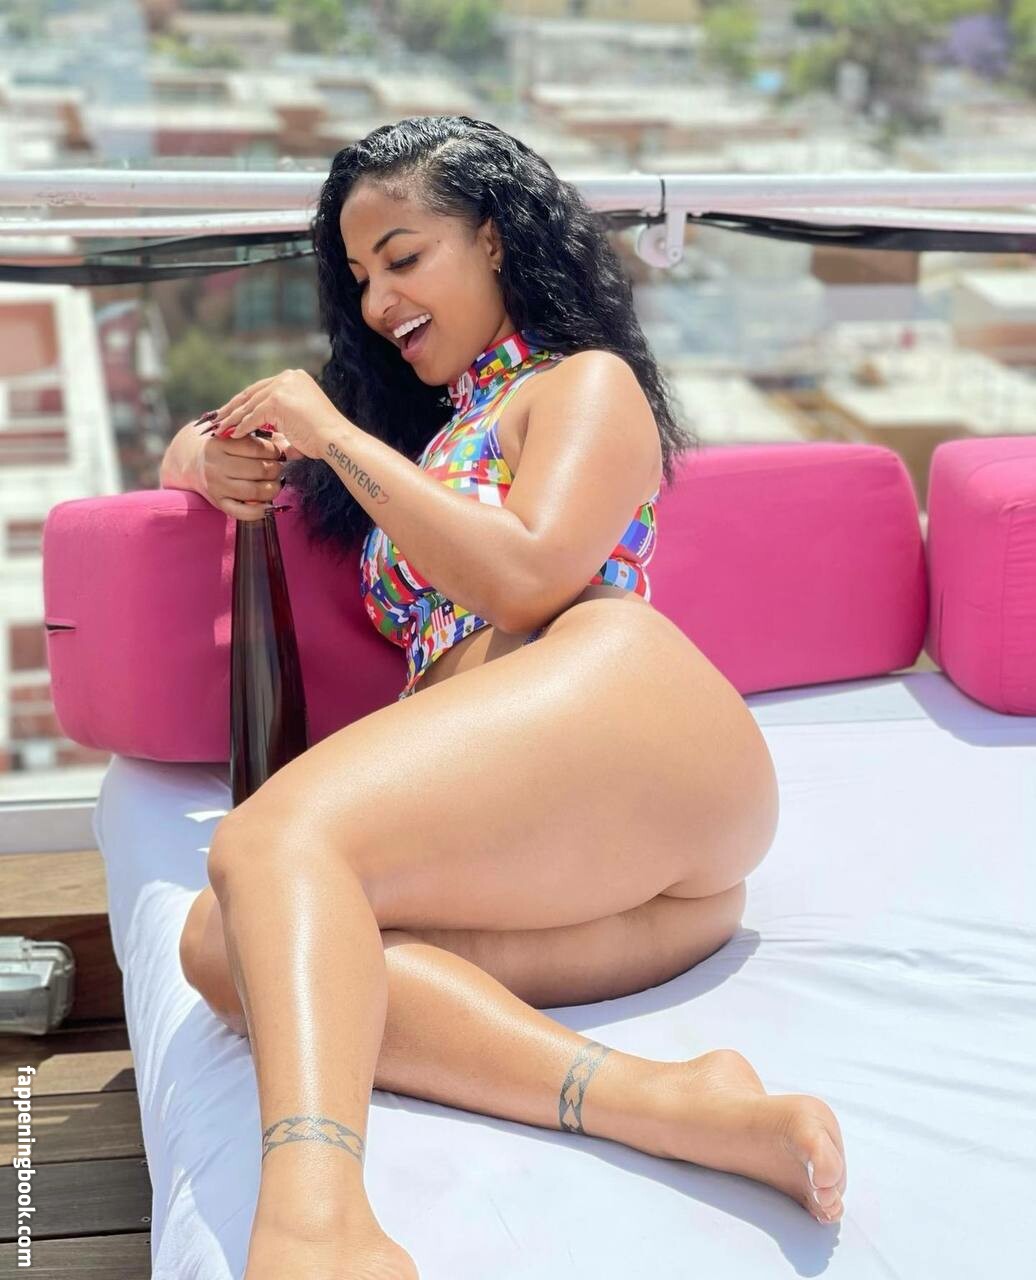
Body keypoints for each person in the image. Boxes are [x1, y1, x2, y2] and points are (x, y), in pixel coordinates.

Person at [167, 115, 846, 1280]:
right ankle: (672, 1101)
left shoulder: (582, 385)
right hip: (557, 836)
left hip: (628, 719)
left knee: (269, 840)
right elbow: (212, 442)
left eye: (403, 256)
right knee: (226, 939)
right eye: (360, 275)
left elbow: (527, 575)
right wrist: (201, 456)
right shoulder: (426, 440)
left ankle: (317, 1220)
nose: (379, 299)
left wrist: (332, 433)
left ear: (492, 238)